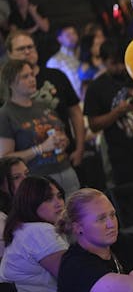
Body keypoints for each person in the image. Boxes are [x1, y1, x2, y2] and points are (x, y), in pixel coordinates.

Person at [0, 176, 77, 292]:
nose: (58, 202)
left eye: (59, 196)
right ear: (31, 203)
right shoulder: (39, 232)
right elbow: (76, 280)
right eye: (48, 198)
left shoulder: (21, 230)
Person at [83, 38, 133, 185]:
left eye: (122, 62)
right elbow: (93, 125)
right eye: (114, 63)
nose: (120, 67)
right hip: (122, 158)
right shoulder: (96, 88)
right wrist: (117, 112)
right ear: (103, 61)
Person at [6, 31, 86, 169]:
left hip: (66, 155)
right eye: (21, 49)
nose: (27, 52)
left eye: (30, 47)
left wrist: (80, 147)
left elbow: (75, 112)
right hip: (30, 165)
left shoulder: (56, 75)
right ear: (10, 53)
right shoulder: (6, 86)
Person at [0, 59, 79, 195]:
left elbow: (59, 130)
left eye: (32, 74)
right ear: (11, 82)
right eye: (25, 76)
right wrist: (40, 148)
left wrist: (62, 140)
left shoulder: (43, 105)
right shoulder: (6, 114)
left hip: (66, 170)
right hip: (38, 178)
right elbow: (5, 159)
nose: (32, 79)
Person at [0, 156, 29, 257]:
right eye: (16, 177)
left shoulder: (32, 203)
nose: (26, 180)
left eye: (26, 174)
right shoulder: (1, 218)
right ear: (2, 185)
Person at [46, 24, 82, 98]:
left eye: (74, 33)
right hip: (74, 100)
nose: (72, 37)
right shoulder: (54, 61)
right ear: (59, 39)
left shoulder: (83, 53)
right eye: (68, 35)